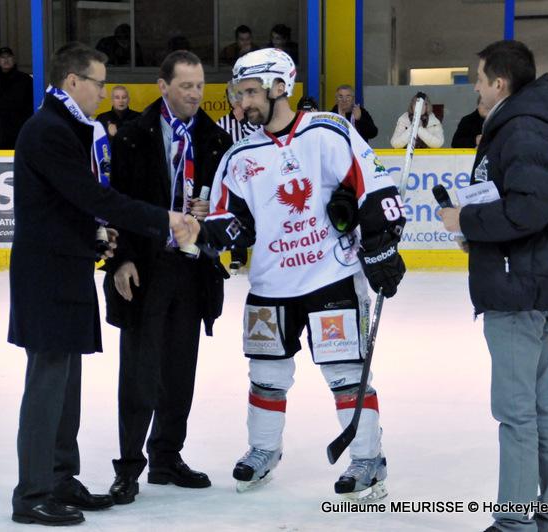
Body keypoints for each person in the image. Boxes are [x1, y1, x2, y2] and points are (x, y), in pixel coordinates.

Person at [199, 48, 407, 499]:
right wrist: (208, 235)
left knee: (346, 372)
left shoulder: (327, 132)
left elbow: (374, 187)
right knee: (265, 373)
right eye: (239, 93)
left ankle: (367, 458)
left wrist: (380, 247)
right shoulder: (239, 155)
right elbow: (231, 220)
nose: (242, 103)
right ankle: (263, 449)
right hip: (270, 284)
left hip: (330, 277)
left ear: (280, 87)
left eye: (250, 92)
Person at [8, 42, 199, 526]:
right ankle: (32, 493)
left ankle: (60, 478)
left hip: (65, 271)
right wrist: (164, 218)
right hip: (46, 277)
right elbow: (91, 196)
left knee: (65, 384)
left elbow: (66, 207)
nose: (103, 92)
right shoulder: (49, 131)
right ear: (73, 81)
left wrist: (96, 236)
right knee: (47, 385)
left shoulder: (66, 127)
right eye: (98, 83)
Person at [438, 40, 548, 532]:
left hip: (519, 287)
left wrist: (466, 219)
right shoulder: (526, 124)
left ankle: (515, 523)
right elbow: (523, 206)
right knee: (541, 403)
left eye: (480, 79)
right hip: (529, 280)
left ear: (499, 83)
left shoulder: (522, 129)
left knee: (517, 411)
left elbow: (530, 208)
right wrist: (478, 233)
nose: (476, 88)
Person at [102, 50, 233, 505]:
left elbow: (232, 205)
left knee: (180, 369)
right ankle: (128, 466)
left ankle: (166, 456)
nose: (195, 94)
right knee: (139, 372)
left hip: (193, 269)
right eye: (186, 86)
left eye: (199, 86)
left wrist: (212, 213)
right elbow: (115, 203)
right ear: (163, 86)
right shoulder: (131, 137)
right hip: (146, 268)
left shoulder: (215, 139)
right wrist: (120, 261)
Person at [215, 80, 259, 270]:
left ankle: (263, 252)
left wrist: (243, 120)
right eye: (234, 96)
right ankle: (238, 256)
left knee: (259, 213)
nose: (238, 101)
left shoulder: (256, 120)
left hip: (257, 174)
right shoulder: (221, 123)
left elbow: (258, 137)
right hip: (234, 178)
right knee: (236, 214)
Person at [0, 47, 34, 149]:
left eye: (9, 57)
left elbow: (33, 103)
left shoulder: (25, 80)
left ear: (13, 59)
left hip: (20, 128)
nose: (6, 60)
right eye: (3, 57)